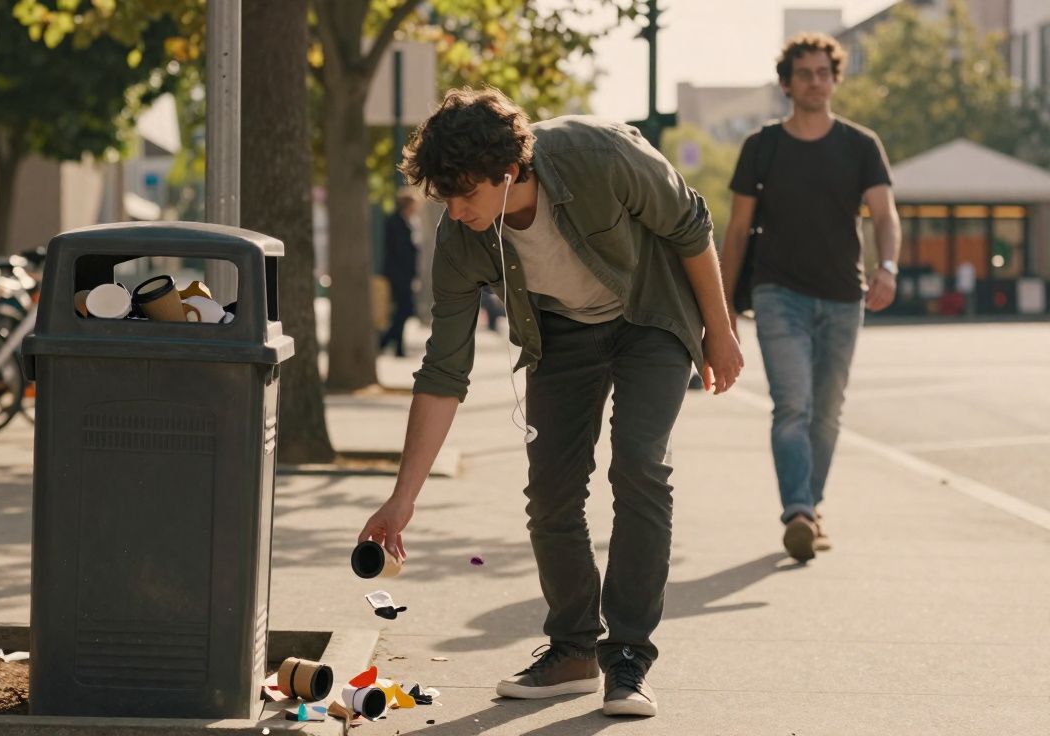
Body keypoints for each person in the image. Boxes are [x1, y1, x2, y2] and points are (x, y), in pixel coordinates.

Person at [357, 87, 743, 719]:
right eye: (444, 197)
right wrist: (403, 500)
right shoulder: (461, 237)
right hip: (563, 333)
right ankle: (572, 651)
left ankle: (627, 661)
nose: (454, 212)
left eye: (465, 194)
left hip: (650, 315)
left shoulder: (601, 154)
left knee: (640, 465)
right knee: (553, 495)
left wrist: (720, 332)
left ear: (508, 173)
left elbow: (688, 222)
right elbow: (444, 369)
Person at [720, 33, 899, 562]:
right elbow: (736, 232)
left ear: (834, 79)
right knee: (792, 406)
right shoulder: (762, 147)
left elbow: (886, 215)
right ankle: (798, 509)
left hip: (845, 295)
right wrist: (723, 304)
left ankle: (811, 508)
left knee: (827, 412)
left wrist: (887, 266)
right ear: (786, 83)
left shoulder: (861, 145)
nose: (815, 82)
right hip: (779, 294)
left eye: (824, 73)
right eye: (804, 74)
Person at [378, 188, 422, 356]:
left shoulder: (408, 222)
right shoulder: (395, 222)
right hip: (398, 275)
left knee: (403, 311)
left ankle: (398, 348)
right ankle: (384, 342)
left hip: (405, 274)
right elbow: (401, 250)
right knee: (404, 310)